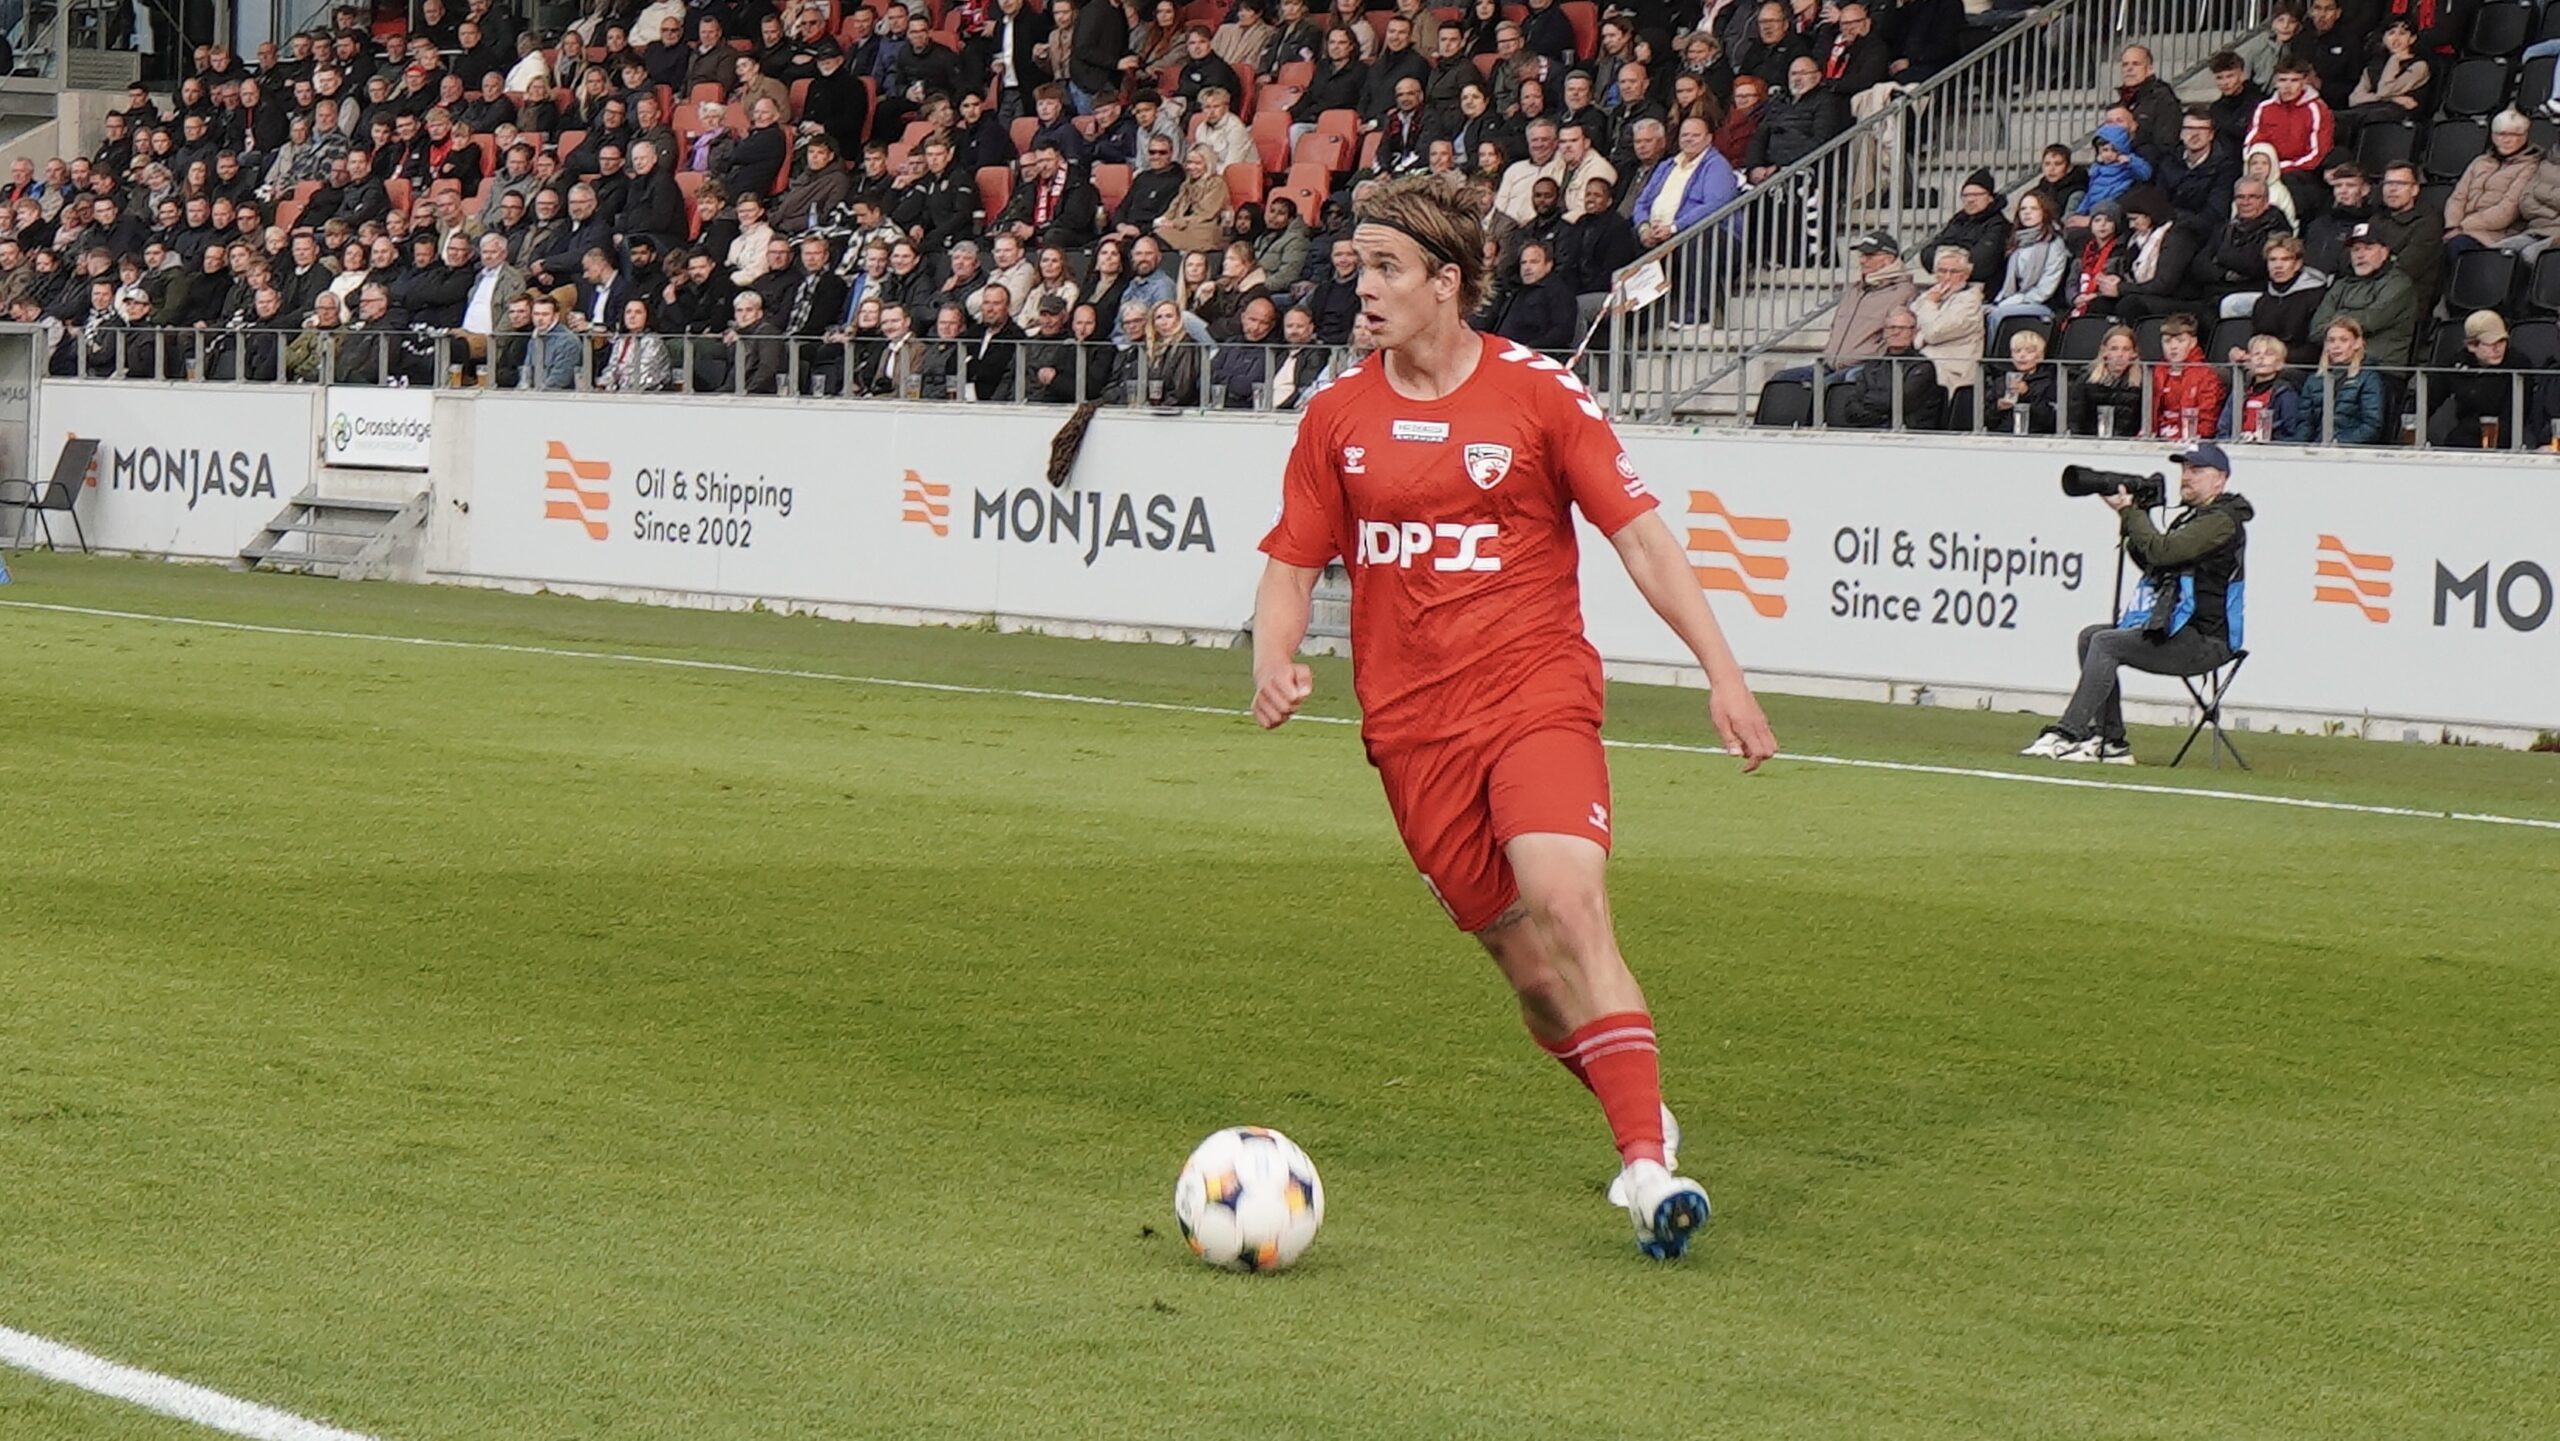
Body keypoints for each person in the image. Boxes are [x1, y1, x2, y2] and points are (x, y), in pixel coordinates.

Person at [1250, 177, 1774, 1258]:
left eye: (1387, 268)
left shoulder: (1539, 395)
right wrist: (1274, 659)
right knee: (1533, 978)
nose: (1364, 286)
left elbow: (1641, 540)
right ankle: (1634, 1101)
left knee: (1568, 900)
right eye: (1360, 265)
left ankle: (1648, 1171)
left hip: (1535, 694)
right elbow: (1292, 564)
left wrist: (1723, 673)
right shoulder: (1337, 415)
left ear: (1447, 282)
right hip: (1411, 731)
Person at [2021, 443, 2250, 765]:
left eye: (2197, 470)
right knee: (2092, 636)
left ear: (2220, 479)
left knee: (2105, 642)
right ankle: (2111, 741)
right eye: (2184, 469)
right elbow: (2156, 564)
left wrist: (2133, 513)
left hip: (2206, 640)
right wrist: (2130, 520)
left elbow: (2163, 552)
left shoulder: (2221, 520)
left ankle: (2067, 733)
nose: (2186, 477)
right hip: (2180, 629)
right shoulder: (2195, 518)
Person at [2425, 310, 2524, 450]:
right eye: (2490, 343)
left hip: (2508, 440)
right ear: (2472, 346)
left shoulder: (2518, 365)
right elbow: (2428, 399)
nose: (2497, 349)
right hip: (2465, 437)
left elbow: (2516, 416)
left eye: (2501, 341)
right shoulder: (2456, 364)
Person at [2295, 316, 2387, 444]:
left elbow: (2371, 426)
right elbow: (2305, 424)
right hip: (2318, 448)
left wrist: (2340, 443)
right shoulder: (2314, 380)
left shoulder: (2369, 378)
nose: (2336, 346)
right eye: (2331, 340)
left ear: (2357, 343)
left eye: (2343, 340)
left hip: (2351, 450)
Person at [2148, 313, 2226, 439]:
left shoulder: (2207, 376)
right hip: (2156, 441)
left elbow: (2207, 423)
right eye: (2167, 341)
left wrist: (2179, 437)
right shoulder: (2155, 372)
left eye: (2180, 340)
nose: (2173, 347)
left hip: (2190, 441)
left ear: (2193, 342)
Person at [2069, 324, 2146, 437]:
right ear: (2104, 351)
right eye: (2114, 349)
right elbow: (2075, 423)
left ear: (2133, 353)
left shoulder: (2142, 383)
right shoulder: (2086, 381)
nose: (2120, 355)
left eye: (2126, 349)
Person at [2223, 333, 2301, 442]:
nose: (2261, 358)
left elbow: (2290, 431)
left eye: (2269, 354)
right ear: (2250, 361)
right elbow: (2223, 427)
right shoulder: (2240, 392)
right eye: (2256, 354)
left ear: (2280, 364)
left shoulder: (2285, 393)